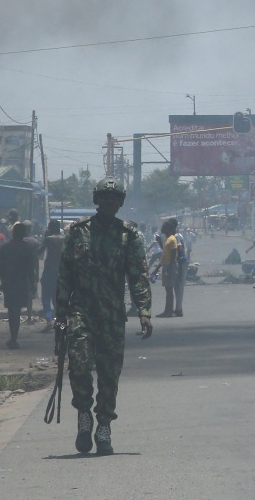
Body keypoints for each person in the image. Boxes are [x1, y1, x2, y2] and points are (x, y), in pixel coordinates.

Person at [56, 178, 152, 455]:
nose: (109, 202)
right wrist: (60, 311)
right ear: (97, 200)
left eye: (114, 198)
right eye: (104, 197)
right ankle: (84, 416)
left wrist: (144, 312)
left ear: (121, 202)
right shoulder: (77, 232)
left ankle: (104, 426)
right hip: (80, 311)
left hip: (112, 315)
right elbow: (65, 273)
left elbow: (139, 276)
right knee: (80, 364)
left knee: (110, 374)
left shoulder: (129, 235)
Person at [0, 221, 38, 349]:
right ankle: (14, 338)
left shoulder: (5, 247)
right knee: (17, 310)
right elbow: (31, 268)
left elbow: (0, 267)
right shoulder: (27, 248)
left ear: (13, 233)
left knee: (11, 311)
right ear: (24, 233)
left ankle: (13, 338)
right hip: (21, 282)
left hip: (8, 282)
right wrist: (33, 283)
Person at [37, 220, 64, 332]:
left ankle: (49, 320)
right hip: (61, 271)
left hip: (49, 271)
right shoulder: (65, 239)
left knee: (46, 298)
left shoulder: (48, 239)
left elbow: (39, 252)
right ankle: (60, 321)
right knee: (57, 298)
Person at [153, 219, 182, 317]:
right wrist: (156, 270)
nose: (162, 229)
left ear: (168, 229)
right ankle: (167, 310)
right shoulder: (168, 240)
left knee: (169, 290)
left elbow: (174, 252)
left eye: (164, 227)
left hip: (170, 266)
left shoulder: (172, 239)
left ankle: (169, 311)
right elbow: (165, 254)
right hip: (167, 265)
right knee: (168, 289)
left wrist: (169, 267)